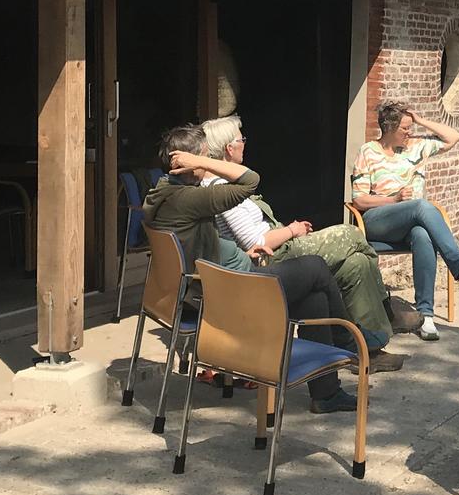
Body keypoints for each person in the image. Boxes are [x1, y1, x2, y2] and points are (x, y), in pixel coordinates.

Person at [142, 124, 358, 413]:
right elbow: (249, 181)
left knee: (314, 298)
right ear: (187, 164)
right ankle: (351, 344)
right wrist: (202, 162)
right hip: (232, 292)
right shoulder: (189, 199)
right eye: (205, 158)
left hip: (215, 286)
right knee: (316, 267)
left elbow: (195, 243)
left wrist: (242, 251)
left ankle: (326, 394)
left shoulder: (163, 194)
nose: (209, 167)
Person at [198, 115, 405, 373]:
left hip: (278, 248)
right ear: (230, 148)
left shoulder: (226, 185)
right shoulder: (221, 189)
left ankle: (368, 348)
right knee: (350, 234)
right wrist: (292, 230)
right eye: (241, 139)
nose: (245, 143)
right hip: (271, 258)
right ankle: (387, 313)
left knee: (356, 263)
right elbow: (255, 240)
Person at [350, 101, 459, 341]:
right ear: (389, 128)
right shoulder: (368, 151)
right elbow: (359, 201)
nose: (409, 133)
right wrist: (394, 199)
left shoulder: (415, 148)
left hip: (410, 224)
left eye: (411, 128)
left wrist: (419, 120)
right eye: (405, 129)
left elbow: (454, 136)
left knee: (422, 233)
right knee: (420, 206)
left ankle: (425, 316)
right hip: (379, 221)